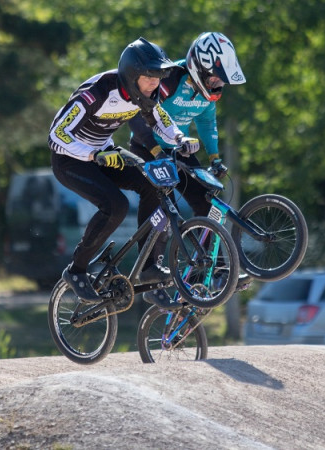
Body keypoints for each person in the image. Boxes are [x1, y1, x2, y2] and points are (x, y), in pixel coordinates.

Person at [48, 37, 200, 307]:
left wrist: (179, 139)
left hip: (104, 155)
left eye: (160, 76)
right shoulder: (98, 91)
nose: (156, 83)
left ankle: (149, 265)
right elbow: (56, 134)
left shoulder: (142, 96)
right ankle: (76, 270)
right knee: (115, 205)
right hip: (70, 160)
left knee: (155, 185)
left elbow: (160, 118)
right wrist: (93, 154)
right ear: (132, 76)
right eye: (150, 76)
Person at [127, 31, 250, 291]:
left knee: (208, 199)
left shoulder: (207, 93)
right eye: (216, 76)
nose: (219, 84)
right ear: (199, 67)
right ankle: (151, 276)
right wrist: (158, 147)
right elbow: (144, 110)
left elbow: (206, 122)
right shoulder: (170, 78)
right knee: (164, 208)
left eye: (223, 80)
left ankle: (207, 272)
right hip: (148, 146)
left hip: (179, 148)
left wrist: (214, 157)